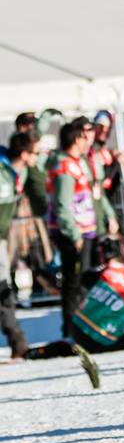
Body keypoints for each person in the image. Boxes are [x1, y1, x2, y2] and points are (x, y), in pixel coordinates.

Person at [23, 251, 124, 359]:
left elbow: (86, 278)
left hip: (77, 327)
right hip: (99, 339)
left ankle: (47, 350)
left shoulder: (116, 270)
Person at [47, 120, 98, 339]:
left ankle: (81, 327)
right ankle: (71, 331)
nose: (88, 141)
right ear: (76, 139)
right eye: (85, 137)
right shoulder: (65, 166)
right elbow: (62, 205)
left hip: (86, 231)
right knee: (74, 283)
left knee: (84, 280)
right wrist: (74, 234)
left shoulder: (79, 162)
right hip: (73, 235)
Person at [0, 133, 38, 357]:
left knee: (3, 287)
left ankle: (17, 340)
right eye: (34, 152)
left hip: (2, 237)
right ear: (24, 154)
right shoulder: (4, 173)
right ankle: (17, 340)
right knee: (2, 287)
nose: (38, 155)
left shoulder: (16, 172)